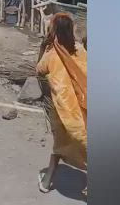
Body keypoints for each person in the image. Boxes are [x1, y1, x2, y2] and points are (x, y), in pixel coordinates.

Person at [36, 12, 87, 196]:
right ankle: (47, 179)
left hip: (62, 110)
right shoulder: (80, 50)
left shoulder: (51, 54)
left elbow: (39, 70)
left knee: (61, 142)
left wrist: (43, 46)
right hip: (84, 107)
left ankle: (47, 179)